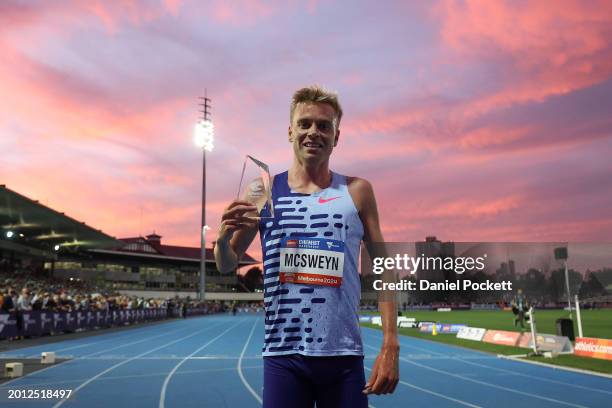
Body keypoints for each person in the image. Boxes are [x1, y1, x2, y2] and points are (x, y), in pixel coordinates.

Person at [215, 85, 399, 408]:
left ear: (336, 136)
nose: (313, 132)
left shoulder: (357, 192)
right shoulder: (263, 191)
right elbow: (226, 263)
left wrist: (390, 345)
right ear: (290, 132)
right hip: (283, 356)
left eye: (324, 125)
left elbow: (385, 271)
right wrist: (220, 240)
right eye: (305, 123)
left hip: (342, 357)